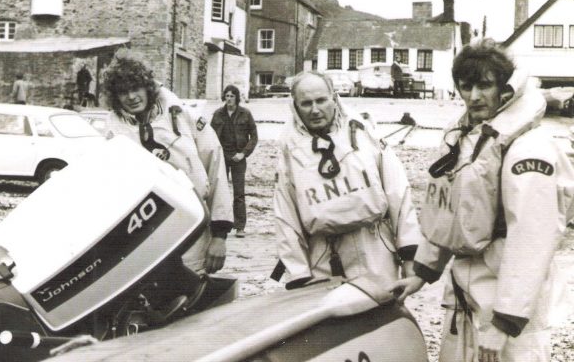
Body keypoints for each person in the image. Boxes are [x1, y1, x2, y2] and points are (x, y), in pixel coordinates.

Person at [391, 39, 572, 362]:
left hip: (510, 307)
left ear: (506, 90)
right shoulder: (466, 140)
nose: (474, 97)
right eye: (466, 86)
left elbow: (532, 240)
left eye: (485, 86)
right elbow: (450, 211)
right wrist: (423, 271)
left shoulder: (529, 149)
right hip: (464, 293)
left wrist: (504, 322)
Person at [272, 71, 422, 290]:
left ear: (334, 97)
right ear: (295, 106)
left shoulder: (363, 134)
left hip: (375, 247)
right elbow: (286, 213)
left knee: (381, 318)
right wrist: (298, 272)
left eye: (321, 100)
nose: (315, 110)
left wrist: (409, 253)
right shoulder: (289, 148)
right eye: (306, 103)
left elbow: (397, 191)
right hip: (323, 256)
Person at [102, 57, 234, 274]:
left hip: (194, 230)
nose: (132, 97)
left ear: (147, 86)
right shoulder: (114, 134)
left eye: (136, 88)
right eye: (123, 92)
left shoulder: (181, 116)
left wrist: (220, 235)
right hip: (146, 240)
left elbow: (215, 166)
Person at [210, 84, 258, 238]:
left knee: (239, 193)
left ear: (237, 98)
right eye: (227, 96)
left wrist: (243, 153)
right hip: (222, 157)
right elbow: (209, 136)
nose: (229, 99)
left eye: (232, 96)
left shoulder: (246, 114)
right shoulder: (218, 114)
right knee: (219, 192)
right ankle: (219, 226)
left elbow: (254, 137)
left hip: (238, 158)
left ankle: (240, 227)